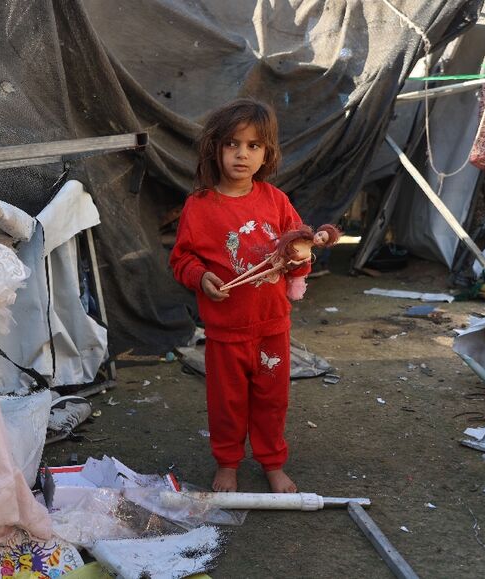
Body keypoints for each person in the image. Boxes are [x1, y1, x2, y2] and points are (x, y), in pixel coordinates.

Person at [169, 98, 310, 493]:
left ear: (267, 153)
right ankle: (228, 463)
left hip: (272, 328)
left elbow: (299, 247)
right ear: (216, 148)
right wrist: (201, 278)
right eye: (232, 143)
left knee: (271, 400)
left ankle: (272, 463)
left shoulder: (276, 200)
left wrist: (299, 262)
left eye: (253, 145)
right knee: (227, 403)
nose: (242, 154)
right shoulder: (199, 207)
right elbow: (182, 259)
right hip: (225, 331)